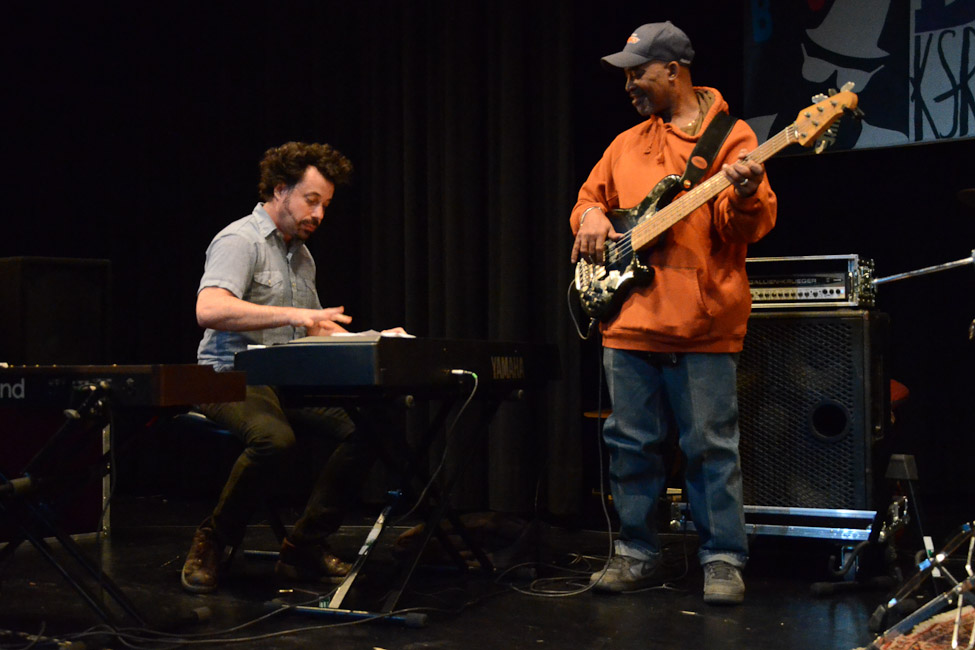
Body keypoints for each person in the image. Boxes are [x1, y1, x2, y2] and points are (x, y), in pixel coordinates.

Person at [570, 22, 777, 605]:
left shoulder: (733, 138)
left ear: (673, 71)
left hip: (703, 324)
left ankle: (723, 559)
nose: (629, 85)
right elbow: (588, 200)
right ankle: (636, 552)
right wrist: (589, 216)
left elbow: (745, 228)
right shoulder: (625, 143)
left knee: (709, 449)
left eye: (638, 73)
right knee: (630, 445)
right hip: (629, 320)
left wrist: (745, 193)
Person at [182, 141, 396, 593]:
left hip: (282, 379)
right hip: (227, 376)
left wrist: (375, 339)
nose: (318, 214)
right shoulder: (239, 240)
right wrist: (294, 314)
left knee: (371, 426)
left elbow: (313, 327)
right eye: (311, 200)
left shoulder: (300, 255)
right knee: (274, 440)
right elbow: (209, 309)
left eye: (325, 205)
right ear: (280, 189)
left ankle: (304, 545)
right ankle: (214, 540)